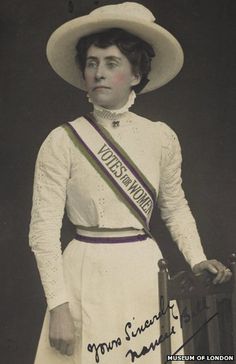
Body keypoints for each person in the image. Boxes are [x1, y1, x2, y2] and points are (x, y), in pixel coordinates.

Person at [29, 2, 232, 364]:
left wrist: (197, 259)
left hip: (143, 273)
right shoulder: (62, 140)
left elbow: (174, 206)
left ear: (136, 75)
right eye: (91, 63)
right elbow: (42, 231)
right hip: (83, 276)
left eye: (111, 63)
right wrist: (58, 306)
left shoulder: (160, 137)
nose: (98, 74)